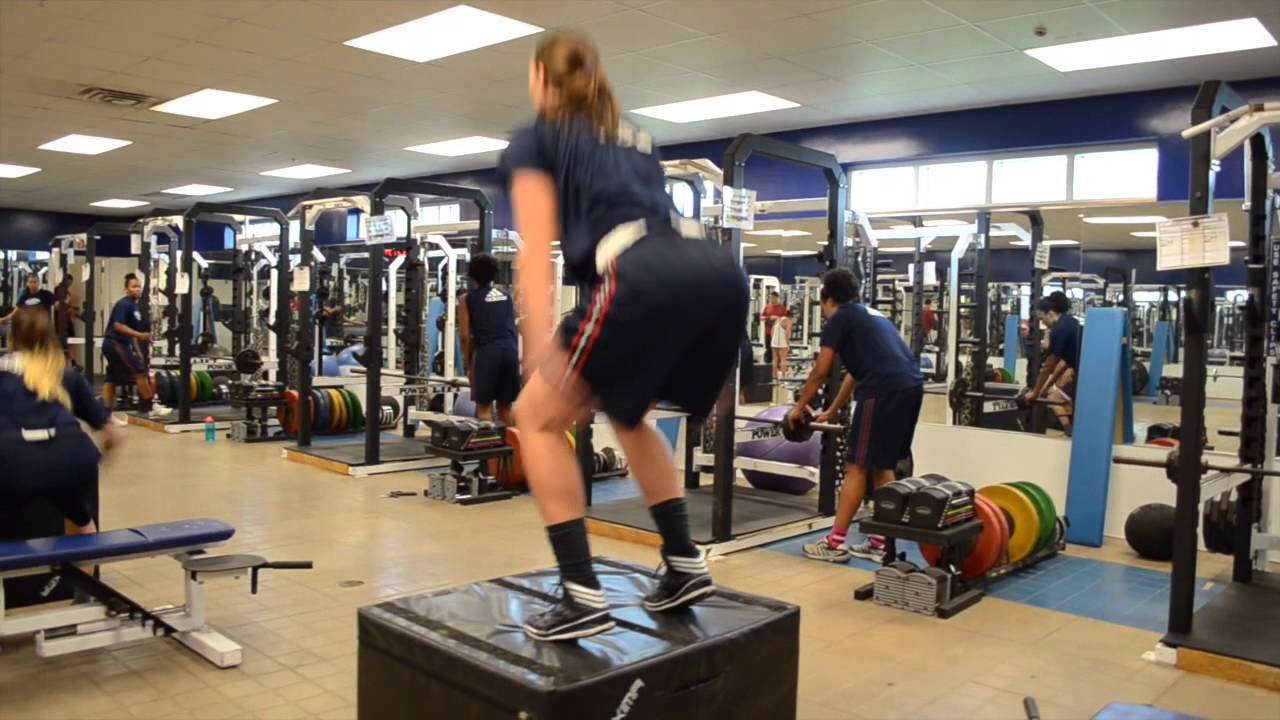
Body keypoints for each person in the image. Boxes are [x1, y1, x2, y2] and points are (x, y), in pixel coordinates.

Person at [497, 31, 748, 642]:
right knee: (627, 411)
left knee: (536, 419)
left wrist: (535, 342)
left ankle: (581, 594)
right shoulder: (633, 136)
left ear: (540, 79)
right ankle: (685, 562)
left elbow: (536, 252)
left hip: (644, 275)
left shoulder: (535, 137)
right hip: (716, 270)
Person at [789, 268, 924, 563]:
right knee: (883, 465)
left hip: (882, 390)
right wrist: (832, 411)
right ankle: (881, 541)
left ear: (827, 300)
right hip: (911, 387)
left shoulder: (839, 318)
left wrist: (798, 408)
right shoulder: (872, 316)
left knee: (856, 466)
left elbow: (821, 371)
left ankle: (835, 543)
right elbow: (855, 372)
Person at [0, 308, 121, 540]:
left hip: (13, 464)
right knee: (82, 524)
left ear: (10, 339)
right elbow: (113, 435)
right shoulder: (66, 374)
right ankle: (79, 576)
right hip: (71, 458)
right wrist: (96, 467)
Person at [458, 253, 519, 425]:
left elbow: (464, 336)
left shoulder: (466, 299)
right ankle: (515, 450)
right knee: (505, 408)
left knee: (484, 409)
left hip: (487, 353)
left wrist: (469, 365)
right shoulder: (506, 297)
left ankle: (489, 451)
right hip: (510, 351)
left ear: (471, 275)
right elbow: (512, 329)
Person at [102, 273, 169, 418]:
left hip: (121, 344)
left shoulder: (135, 307)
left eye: (139, 286)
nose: (137, 289)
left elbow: (131, 332)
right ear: (126, 289)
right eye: (133, 287)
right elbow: (118, 326)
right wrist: (140, 336)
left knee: (112, 379)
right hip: (114, 343)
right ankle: (150, 408)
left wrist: (137, 351)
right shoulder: (124, 304)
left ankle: (105, 416)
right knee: (140, 372)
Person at [1026, 291, 1079, 435]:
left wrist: (1035, 393)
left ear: (1050, 313)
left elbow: (1048, 367)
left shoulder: (1059, 330)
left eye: (1042, 319)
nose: (1042, 323)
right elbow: (1063, 364)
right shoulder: (1071, 321)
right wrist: (1044, 389)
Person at [53, 274, 81, 368]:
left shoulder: (67, 292)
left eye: (70, 283)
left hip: (67, 321)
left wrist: (72, 309)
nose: (69, 285)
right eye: (68, 283)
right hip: (60, 321)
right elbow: (57, 306)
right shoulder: (58, 291)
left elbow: (67, 305)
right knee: (61, 342)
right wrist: (68, 309)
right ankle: (61, 363)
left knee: (71, 341)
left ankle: (72, 362)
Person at [771, 307, 792, 380]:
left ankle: (774, 376)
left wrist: (773, 340)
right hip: (782, 341)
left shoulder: (777, 320)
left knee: (775, 359)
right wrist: (788, 344)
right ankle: (783, 376)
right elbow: (787, 333)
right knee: (783, 359)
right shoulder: (788, 321)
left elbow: (772, 331)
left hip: (774, 341)